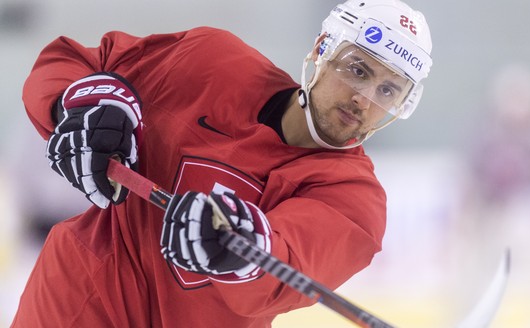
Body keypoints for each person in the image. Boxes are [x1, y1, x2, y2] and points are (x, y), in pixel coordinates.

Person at [12, 0, 433, 326]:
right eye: (357, 70)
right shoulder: (210, 62)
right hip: (77, 302)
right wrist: (84, 106)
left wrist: (243, 243)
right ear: (322, 50)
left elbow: (283, 264)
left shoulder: (355, 201)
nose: (366, 99)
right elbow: (71, 61)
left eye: (390, 91)